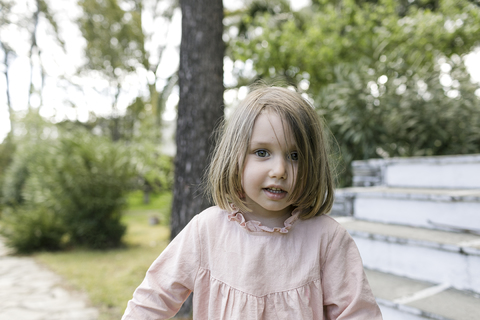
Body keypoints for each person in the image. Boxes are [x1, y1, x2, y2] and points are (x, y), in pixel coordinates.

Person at [122, 86, 383, 319]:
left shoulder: (328, 240)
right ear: (234, 158)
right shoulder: (207, 230)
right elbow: (152, 300)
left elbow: (359, 314)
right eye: (262, 152)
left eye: (294, 155)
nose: (280, 170)